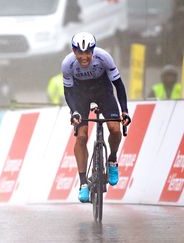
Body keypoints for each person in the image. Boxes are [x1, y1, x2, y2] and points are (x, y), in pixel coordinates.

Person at [62, 32, 131, 203]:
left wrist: (124, 110)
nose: (84, 57)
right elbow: (68, 92)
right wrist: (74, 112)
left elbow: (118, 85)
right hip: (80, 95)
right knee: (82, 136)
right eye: (80, 53)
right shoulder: (67, 64)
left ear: (93, 50)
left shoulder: (104, 58)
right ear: (74, 51)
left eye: (87, 53)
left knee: (115, 129)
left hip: (103, 91)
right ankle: (84, 183)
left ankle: (112, 160)